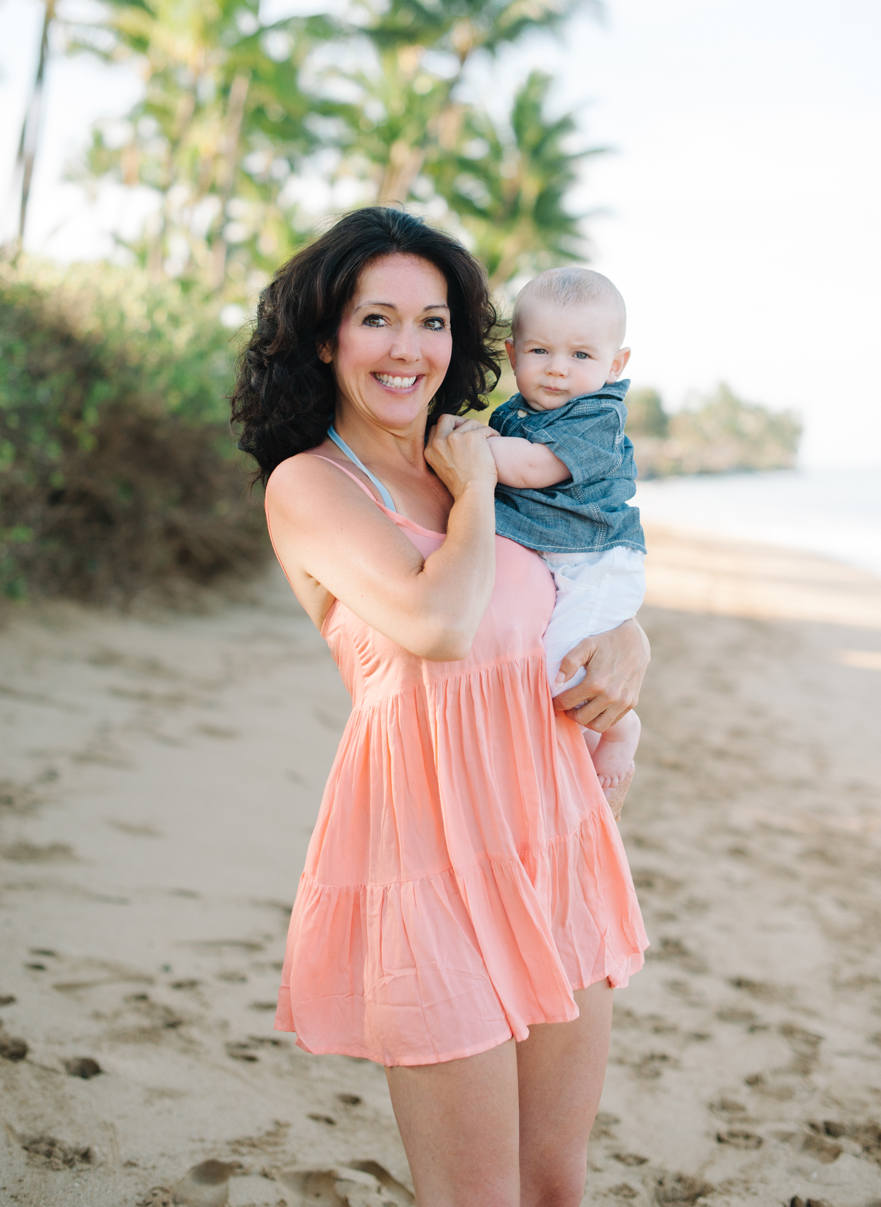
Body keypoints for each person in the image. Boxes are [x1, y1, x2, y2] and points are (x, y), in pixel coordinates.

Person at [231, 206, 650, 1207]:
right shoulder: (313, 485)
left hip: (551, 842)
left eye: (433, 322)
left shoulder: (488, 457)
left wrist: (632, 635)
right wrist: (471, 495)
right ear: (328, 336)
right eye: (378, 319)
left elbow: (576, 582)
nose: (407, 348)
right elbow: (440, 625)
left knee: (554, 1187)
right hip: (429, 860)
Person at [483, 267, 645, 797]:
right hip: (564, 560)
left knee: (561, 665)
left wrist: (468, 447)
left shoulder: (597, 417)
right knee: (548, 659)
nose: (557, 370)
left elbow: (531, 469)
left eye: (580, 356)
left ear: (614, 364)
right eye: (540, 352)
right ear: (512, 355)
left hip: (598, 565)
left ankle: (621, 730)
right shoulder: (514, 414)